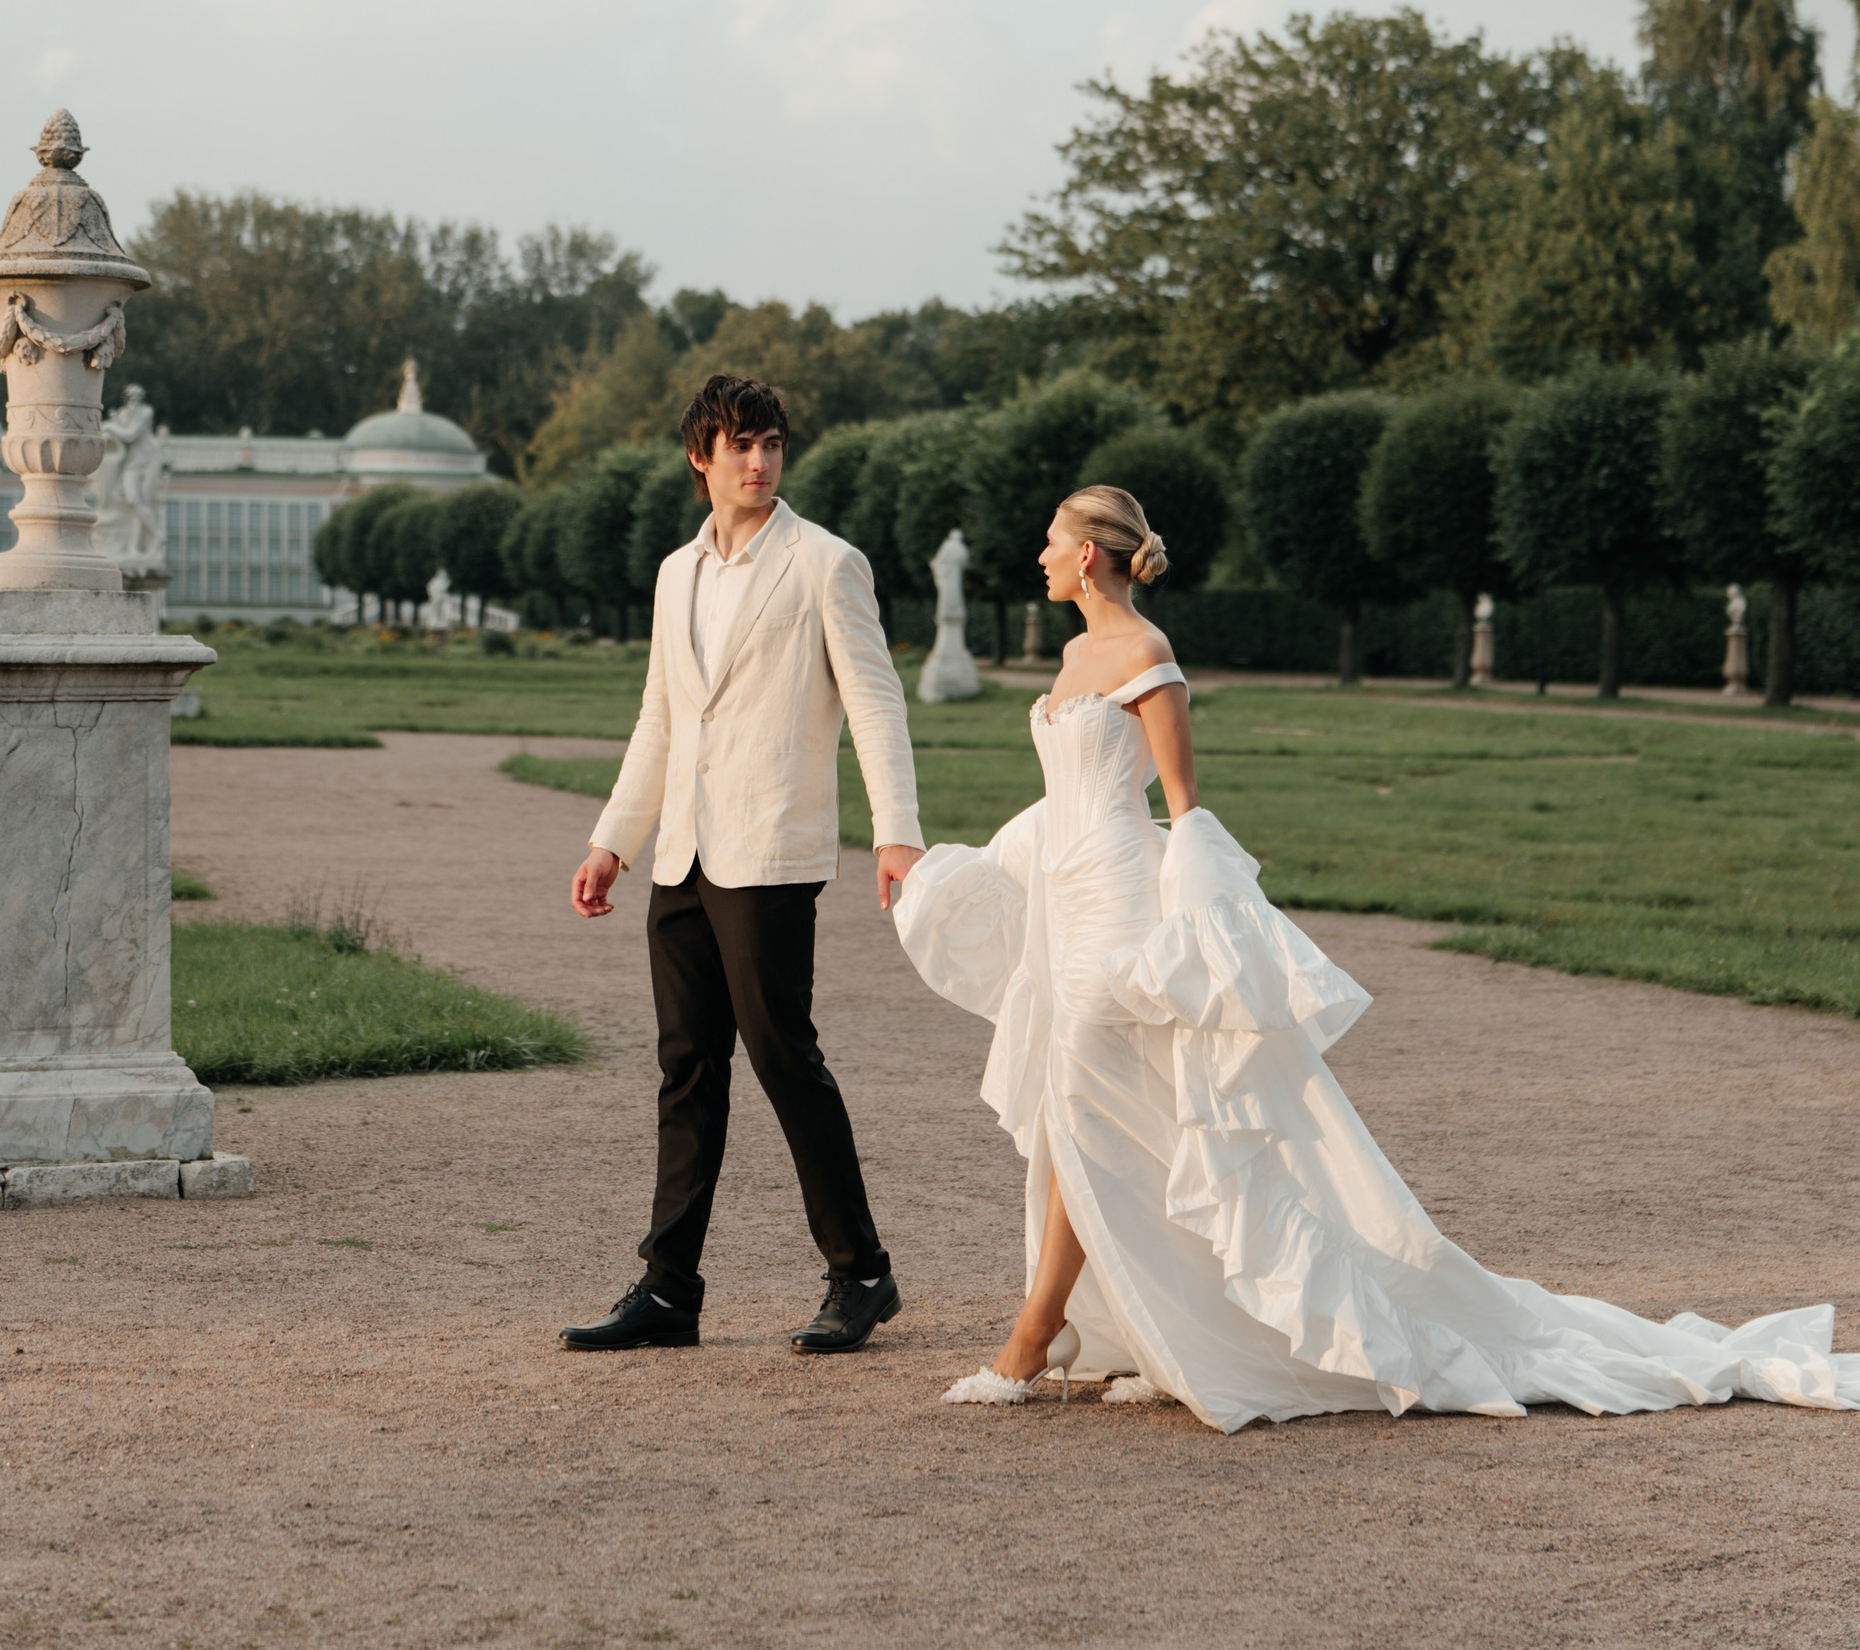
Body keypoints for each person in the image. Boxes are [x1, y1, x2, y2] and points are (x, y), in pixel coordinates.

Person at [895, 483, 1860, 1427]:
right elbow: (1063, 799)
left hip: (1118, 908)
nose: (1039, 555)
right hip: (1065, 898)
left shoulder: (1149, 655)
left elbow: (1181, 805)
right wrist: (974, 868)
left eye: (1051, 539)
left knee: (1083, 1106)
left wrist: (1209, 937)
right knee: (1112, 1115)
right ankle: (1167, 1332)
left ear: (1089, 554)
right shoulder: (1072, 654)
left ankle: (1035, 1335)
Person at [561, 371, 924, 1358]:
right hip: (682, 850)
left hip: (770, 849)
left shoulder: (827, 563)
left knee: (782, 1058)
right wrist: (613, 840)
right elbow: (662, 715)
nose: (760, 462)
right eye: (741, 446)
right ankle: (669, 1290)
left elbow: (875, 701)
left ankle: (862, 1273)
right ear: (702, 457)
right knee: (686, 1069)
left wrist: (897, 831)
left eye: (771, 445)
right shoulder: (676, 572)